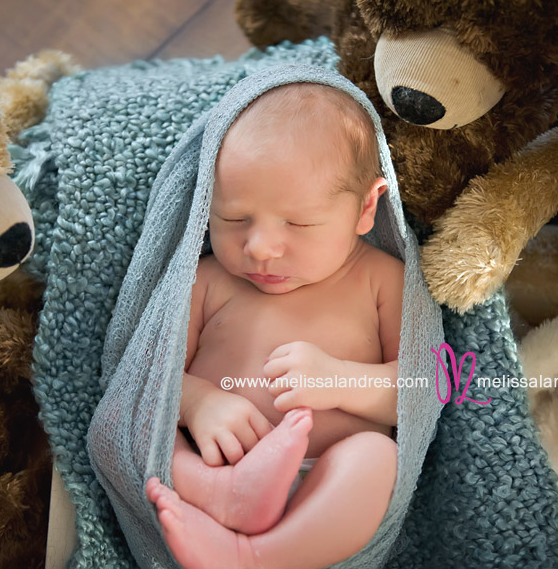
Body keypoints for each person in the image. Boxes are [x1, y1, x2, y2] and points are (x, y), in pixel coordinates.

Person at [145, 81, 404, 569]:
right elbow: (146, 375)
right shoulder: (208, 280)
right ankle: (221, 496)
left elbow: (425, 388)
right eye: (234, 218)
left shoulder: (382, 280)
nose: (259, 247)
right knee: (128, 426)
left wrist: (342, 381)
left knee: (375, 457)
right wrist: (198, 402)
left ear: (366, 208)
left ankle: (255, 556)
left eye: (298, 223)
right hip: (202, 475)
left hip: (322, 490)